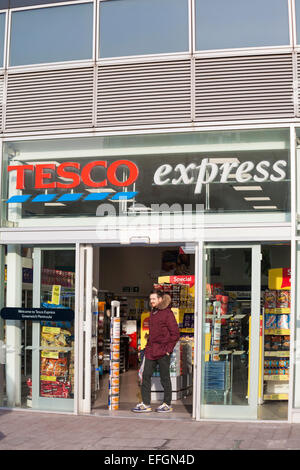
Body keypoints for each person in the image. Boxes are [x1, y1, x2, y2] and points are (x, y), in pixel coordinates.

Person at [132, 290, 180, 413]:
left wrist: (168, 350)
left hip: (163, 351)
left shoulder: (167, 313)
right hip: (151, 351)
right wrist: (146, 348)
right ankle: (146, 403)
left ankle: (167, 404)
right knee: (145, 376)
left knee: (165, 378)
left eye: (154, 299)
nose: (151, 301)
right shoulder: (153, 313)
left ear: (160, 299)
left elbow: (175, 334)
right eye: (150, 299)